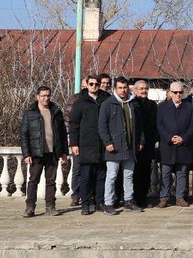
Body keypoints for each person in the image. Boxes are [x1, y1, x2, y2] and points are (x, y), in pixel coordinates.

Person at [97, 77, 143, 215]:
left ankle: (129, 200)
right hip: (114, 146)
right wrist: (107, 142)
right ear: (115, 89)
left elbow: (140, 125)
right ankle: (108, 203)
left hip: (130, 145)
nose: (123, 90)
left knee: (128, 175)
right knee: (111, 176)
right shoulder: (108, 104)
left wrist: (141, 140)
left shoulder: (133, 103)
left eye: (125, 88)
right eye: (120, 88)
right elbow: (102, 125)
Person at [19, 85, 68, 217]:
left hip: (53, 152)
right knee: (33, 180)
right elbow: (24, 135)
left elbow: (62, 133)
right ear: (37, 97)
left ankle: (50, 206)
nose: (46, 98)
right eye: (43, 96)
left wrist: (64, 152)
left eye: (48, 95)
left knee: (51, 181)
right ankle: (30, 207)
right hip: (36, 153)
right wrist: (26, 154)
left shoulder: (56, 111)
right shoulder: (30, 112)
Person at [69, 75, 110, 207]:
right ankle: (85, 204)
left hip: (102, 145)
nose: (94, 86)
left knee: (101, 176)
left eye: (96, 84)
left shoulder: (106, 100)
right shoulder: (79, 102)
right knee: (85, 176)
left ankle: (99, 202)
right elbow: (73, 124)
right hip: (85, 144)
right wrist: (74, 143)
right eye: (91, 84)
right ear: (86, 85)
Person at [156, 81, 193, 207]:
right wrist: (170, 137)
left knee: (182, 173)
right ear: (170, 93)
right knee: (166, 173)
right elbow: (159, 125)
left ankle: (180, 197)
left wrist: (183, 138)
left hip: (183, 145)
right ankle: (164, 198)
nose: (178, 95)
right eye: (175, 92)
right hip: (167, 145)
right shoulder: (162, 107)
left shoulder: (189, 107)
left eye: (180, 92)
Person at [131, 79, 159, 207]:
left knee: (146, 171)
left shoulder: (152, 105)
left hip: (149, 142)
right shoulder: (132, 104)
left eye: (146, 88)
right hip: (135, 143)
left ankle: (143, 197)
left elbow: (156, 123)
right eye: (141, 89)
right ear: (135, 90)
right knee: (135, 172)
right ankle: (135, 198)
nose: (144, 91)